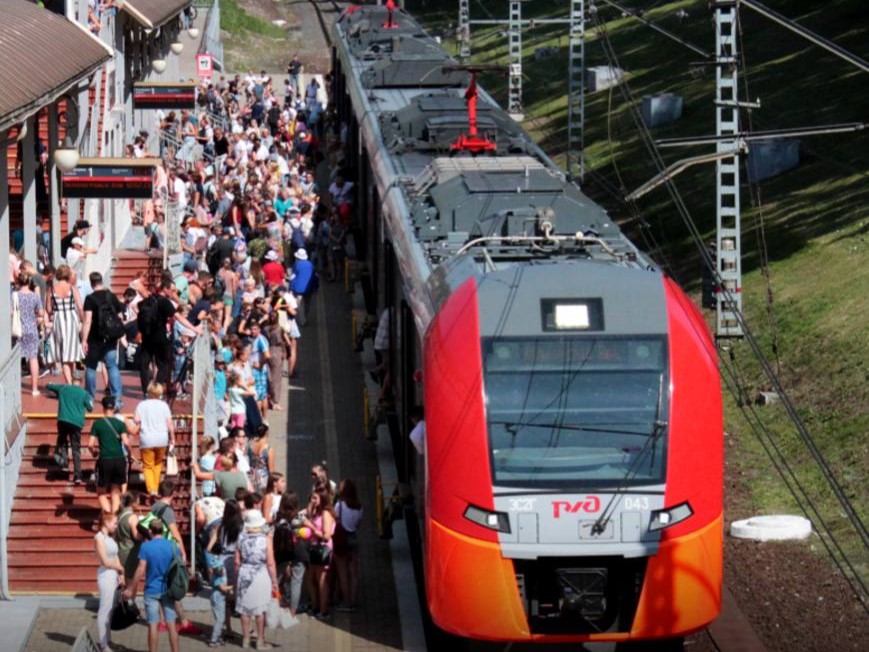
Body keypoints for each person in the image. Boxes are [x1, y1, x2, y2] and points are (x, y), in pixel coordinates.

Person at [123, 519, 182, 652]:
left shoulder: (146, 547)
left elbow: (141, 569)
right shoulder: (173, 545)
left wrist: (130, 588)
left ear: (150, 531)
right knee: (171, 625)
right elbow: (180, 565)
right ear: (163, 530)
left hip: (151, 590)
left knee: (153, 625)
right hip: (168, 590)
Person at [235, 509, 279, 649]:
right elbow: (270, 563)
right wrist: (275, 582)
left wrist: (238, 577)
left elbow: (237, 561)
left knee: (244, 609)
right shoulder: (266, 539)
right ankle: (260, 641)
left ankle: (245, 639)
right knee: (260, 610)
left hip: (245, 572)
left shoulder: (240, 537)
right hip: (260, 573)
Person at [82, 272, 125, 402]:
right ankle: (117, 397)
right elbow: (120, 316)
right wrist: (120, 334)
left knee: (91, 367)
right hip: (111, 337)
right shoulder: (111, 296)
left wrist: (84, 340)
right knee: (112, 366)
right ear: (101, 281)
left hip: (95, 337)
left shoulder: (90, 299)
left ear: (91, 283)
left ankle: (90, 397)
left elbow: (87, 321)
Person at [128, 382, 175, 496]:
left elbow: (136, 420)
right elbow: (170, 424)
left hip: (147, 438)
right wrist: (172, 438)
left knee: (148, 465)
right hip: (162, 438)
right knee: (157, 464)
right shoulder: (164, 405)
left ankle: (151, 489)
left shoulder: (142, 405)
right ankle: (156, 486)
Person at [88, 395, 131, 514]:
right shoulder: (120, 424)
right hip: (119, 459)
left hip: (105, 459)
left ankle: (109, 516)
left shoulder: (97, 424)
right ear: (114, 407)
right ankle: (115, 518)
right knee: (115, 492)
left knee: (101, 492)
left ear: (103, 407)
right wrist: (129, 453)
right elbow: (126, 442)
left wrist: (94, 452)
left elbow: (90, 444)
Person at [47, 379, 93, 484]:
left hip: (63, 419)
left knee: (63, 441)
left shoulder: (64, 388)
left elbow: (49, 386)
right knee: (76, 448)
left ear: (72, 380)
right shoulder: (84, 393)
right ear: (81, 382)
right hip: (76, 423)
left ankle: (65, 463)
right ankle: (78, 475)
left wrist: (53, 385)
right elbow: (90, 408)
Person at [273, 491, 312, 614]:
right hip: (298, 551)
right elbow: (313, 530)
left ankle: (273, 605)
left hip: (282, 550)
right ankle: (293, 611)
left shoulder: (278, 517)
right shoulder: (300, 518)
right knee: (296, 582)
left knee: (276, 579)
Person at [137, 279, 178, 395]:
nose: (173, 293)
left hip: (147, 336)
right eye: (172, 290)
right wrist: (194, 328)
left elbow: (138, 306)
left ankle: (146, 390)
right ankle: (156, 389)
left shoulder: (149, 299)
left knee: (144, 364)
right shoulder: (165, 302)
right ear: (165, 289)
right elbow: (176, 316)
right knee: (163, 365)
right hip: (160, 337)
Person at [45, 264, 84, 384]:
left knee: (64, 354)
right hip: (71, 320)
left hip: (58, 320)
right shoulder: (72, 288)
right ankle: (70, 382)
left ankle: (69, 382)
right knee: (70, 352)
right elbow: (80, 307)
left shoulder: (51, 289)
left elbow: (49, 309)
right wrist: (83, 321)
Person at [94, 511, 125, 652]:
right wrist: (120, 568)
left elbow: (116, 556)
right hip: (106, 575)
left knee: (110, 609)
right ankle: (103, 644)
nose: (116, 525)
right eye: (114, 523)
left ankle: (108, 640)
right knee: (105, 609)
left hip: (114, 575)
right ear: (106, 522)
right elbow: (105, 561)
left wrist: (121, 573)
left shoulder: (109, 537)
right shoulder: (99, 537)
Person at [304, 489, 335, 620]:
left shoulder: (326, 514)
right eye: (311, 498)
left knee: (322, 580)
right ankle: (316, 607)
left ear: (322, 499)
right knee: (312, 578)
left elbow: (326, 536)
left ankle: (323, 611)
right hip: (313, 548)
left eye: (315, 498)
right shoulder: (316, 511)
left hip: (322, 549)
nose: (312, 500)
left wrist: (311, 528)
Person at [333, 479, 364, 612]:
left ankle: (346, 602)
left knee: (343, 572)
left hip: (341, 540)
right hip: (353, 539)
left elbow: (335, 520)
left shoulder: (339, 505)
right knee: (354, 572)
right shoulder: (360, 507)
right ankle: (353, 601)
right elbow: (358, 524)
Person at [13, 271, 44, 395]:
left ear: (18, 281)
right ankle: (34, 388)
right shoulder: (34, 296)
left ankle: (15, 387)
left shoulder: (14, 296)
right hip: (31, 329)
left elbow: (10, 311)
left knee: (16, 359)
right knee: (33, 358)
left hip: (18, 330)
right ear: (29, 281)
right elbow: (41, 313)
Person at [117, 493, 142, 585]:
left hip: (121, 549)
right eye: (138, 500)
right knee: (131, 582)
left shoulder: (120, 514)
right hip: (131, 552)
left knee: (124, 578)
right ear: (133, 502)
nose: (139, 502)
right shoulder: (132, 517)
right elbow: (137, 536)